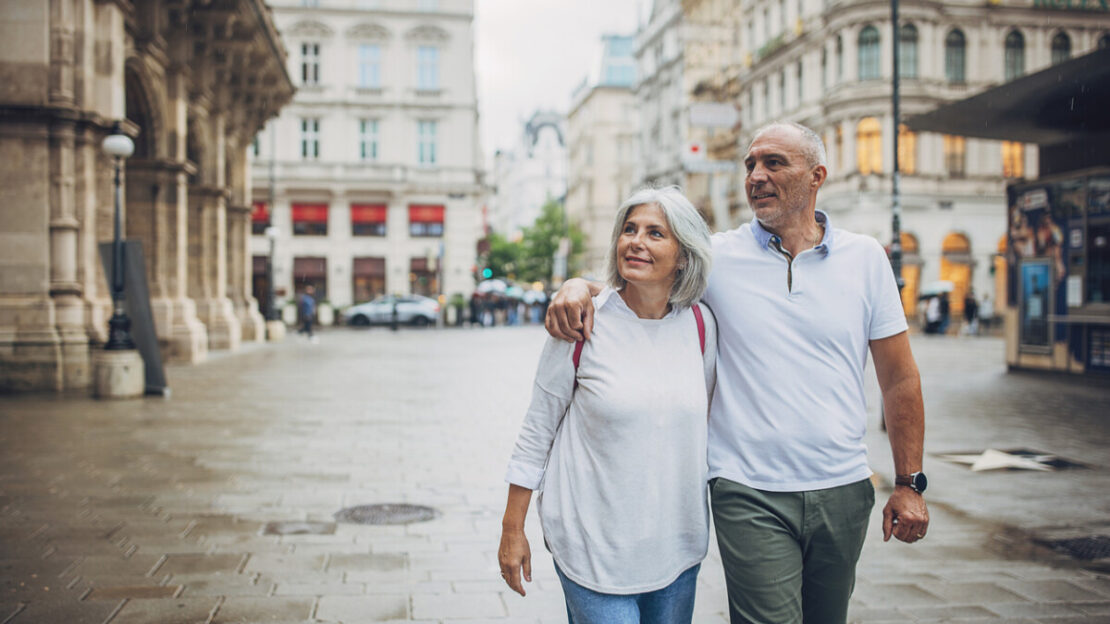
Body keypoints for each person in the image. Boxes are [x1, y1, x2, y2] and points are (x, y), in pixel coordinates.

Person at [546, 122, 928, 624]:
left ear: (817, 176)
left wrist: (909, 483)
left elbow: (899, 378)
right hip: (748, 489)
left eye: (774, 163)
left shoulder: (866, 259)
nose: (756, 176)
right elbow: (641, 285)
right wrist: (578, 286)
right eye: (750, 164)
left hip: (843, 486)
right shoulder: (718, 257)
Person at [498, 187, 717, 623]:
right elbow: (537, 429)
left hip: (677, 549)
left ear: (684, 256)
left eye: (655, 233)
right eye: (629, 229)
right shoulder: (581, 322)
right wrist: (512, 528)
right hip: (592, 548)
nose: (635, 241)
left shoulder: (700, 325)